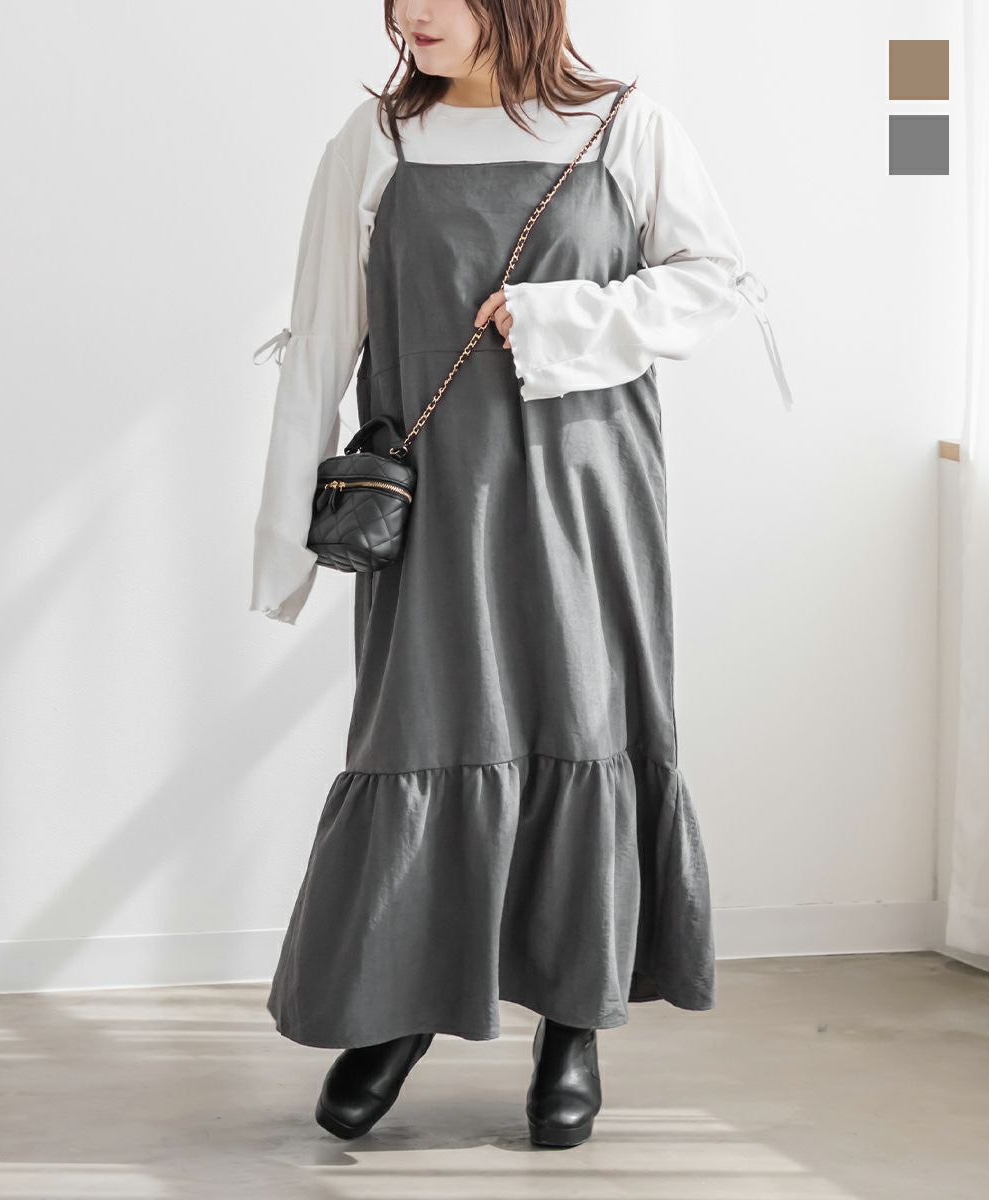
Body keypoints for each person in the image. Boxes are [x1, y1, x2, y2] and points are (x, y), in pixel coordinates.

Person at [249, 0, 792, 1150]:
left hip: (589, 494)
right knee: (422, 731)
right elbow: (319, 338)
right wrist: (284, 545)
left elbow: (713, 279)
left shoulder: (624, 126)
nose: (408, 13)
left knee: (582, 723)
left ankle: (571, 1021)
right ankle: (397, 1009)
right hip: (433, 505)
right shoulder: (377, 141)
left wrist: (562, 316)